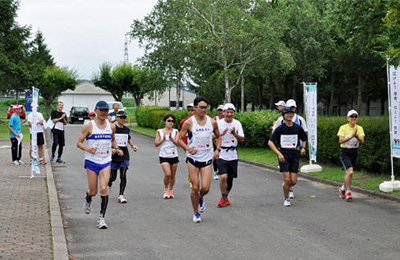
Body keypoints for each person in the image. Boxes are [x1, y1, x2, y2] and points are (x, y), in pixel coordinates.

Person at [77, 101, 122, 229]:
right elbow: (79, 143)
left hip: (105, 160)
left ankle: (101, 218)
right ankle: (88, 197)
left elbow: (112, 139)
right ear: (96, 110)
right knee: (94, 191)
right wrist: (88, 149)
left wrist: (116, 148)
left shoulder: (111, 126)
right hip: (91, 161)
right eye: (101, 110)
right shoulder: (88, 126)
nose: (103, 113)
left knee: (104, 188)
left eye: (105, 111)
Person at [178, 96, 220, 223]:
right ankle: (196, 212)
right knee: (195, 187)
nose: (203, 110)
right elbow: (178, 139)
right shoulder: (189, 123)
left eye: (205, 108)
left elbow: (219, 136)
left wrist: (218, 149)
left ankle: (200, 198)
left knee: (205, 188)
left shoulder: (212, 122)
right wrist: (187, 148)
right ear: (195, 108)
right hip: (193, 158)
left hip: (207, 158)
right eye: (201, 107)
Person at [268, 106, 307, 207]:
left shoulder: (297, 128)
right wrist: (279, 153)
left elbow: (304, 138)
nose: (289, 115)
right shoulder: (280, 128)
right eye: (287, 113)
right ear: (284, 115)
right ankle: (286, 199)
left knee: (293, 181)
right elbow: (270, 142)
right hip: (283, 155)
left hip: (294, 154)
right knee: (287, 179)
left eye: (291, 113)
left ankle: (286, 185)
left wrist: (303, 148)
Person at [215, 103, 244, 208]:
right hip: (222, 152)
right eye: (227, 112)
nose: (229, 114)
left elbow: (242, 139)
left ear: (234, 113)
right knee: (223, 177)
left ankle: (225, 196)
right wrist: (220, 134)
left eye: (231, 112)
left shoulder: (237, 124)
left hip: (233, 154)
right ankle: (223, 197)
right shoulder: (218, 123)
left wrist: (234, 134)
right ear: (223, 113)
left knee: (230, 180)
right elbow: (211, 136)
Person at [108, 111, 137, 203]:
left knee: (123, 174)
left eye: (124, 118)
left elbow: (128, 138)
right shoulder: (112, 128)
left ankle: (121, 195)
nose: (123, 119)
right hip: (114, 156)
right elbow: (108, 140)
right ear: (117, 118)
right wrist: (111, 149)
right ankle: (108, 184)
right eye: (121, 117)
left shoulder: (126, 129)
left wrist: (133, 146)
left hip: (124, 155)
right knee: (112, 177)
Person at [337, 110, 365, 201]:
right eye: (351, 116)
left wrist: (356, 136)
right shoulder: (343, 127)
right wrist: (351, 136)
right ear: (348, 118)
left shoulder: (359, 128)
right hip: (345, 152)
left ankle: (342, 189)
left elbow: (362, 141)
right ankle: (348, 192)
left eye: (355, 116)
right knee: (350, 172)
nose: (354, 118)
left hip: (354, 151)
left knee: (349, 174)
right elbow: (340, 141)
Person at [155, 114, 180, 199]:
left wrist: (171, 139)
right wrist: (163, 139)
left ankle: (171, 190)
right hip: (164, 155)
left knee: (172, 175)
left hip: (174, 155)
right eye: (169, 121)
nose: (170, 123)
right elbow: (156, 144)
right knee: (167, 174)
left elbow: (178, 143)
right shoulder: (160, 131)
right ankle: (166, 189)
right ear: (164, 122)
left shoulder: (176, 131)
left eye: (172, 121)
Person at [179, 103, 195, 188]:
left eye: (192, 110)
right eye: (189, 110)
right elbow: (181, 136)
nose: (191, 112)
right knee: (190, 163)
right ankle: (191, 180)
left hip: (200, 146)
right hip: (188, 145)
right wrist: (185, 147)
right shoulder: (184, 122)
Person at [212, 105, 225, 180]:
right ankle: (215, 171)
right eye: (219, 110)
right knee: (216, 157)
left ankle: (221, 170)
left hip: (224, 141)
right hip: (215, 141)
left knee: (222, 157)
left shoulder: (226, 120)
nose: (220, 112)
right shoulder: (214, 120)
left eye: (222, 110)